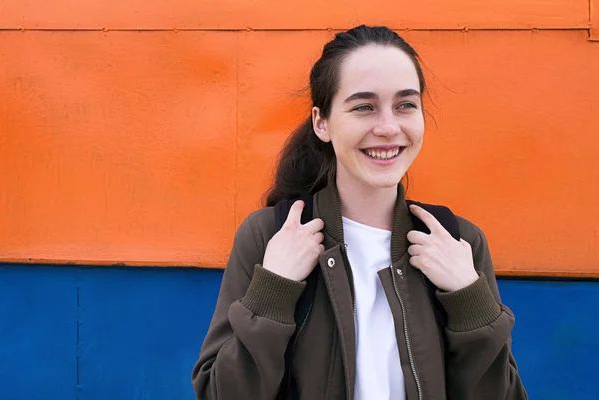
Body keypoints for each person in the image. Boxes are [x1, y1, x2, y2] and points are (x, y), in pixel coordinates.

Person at [191, 24, 527, 400]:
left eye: (406, 105)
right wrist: (274, 290)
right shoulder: (269, 236)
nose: (388, 127)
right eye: (364, 107)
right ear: (322, 123)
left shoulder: (458, 241)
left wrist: (469, 298)